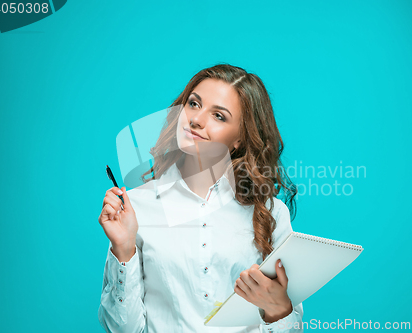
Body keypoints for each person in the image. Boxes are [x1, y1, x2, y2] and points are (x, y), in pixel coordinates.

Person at [97, 64, 304, 332]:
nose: (196, 119)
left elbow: (293, 328)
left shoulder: (270, 213)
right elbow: (122, 330)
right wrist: (123, 251)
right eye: (194, 104)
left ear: (239, 139)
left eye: (219, 116)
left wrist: (279, 311)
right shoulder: (135, 209)